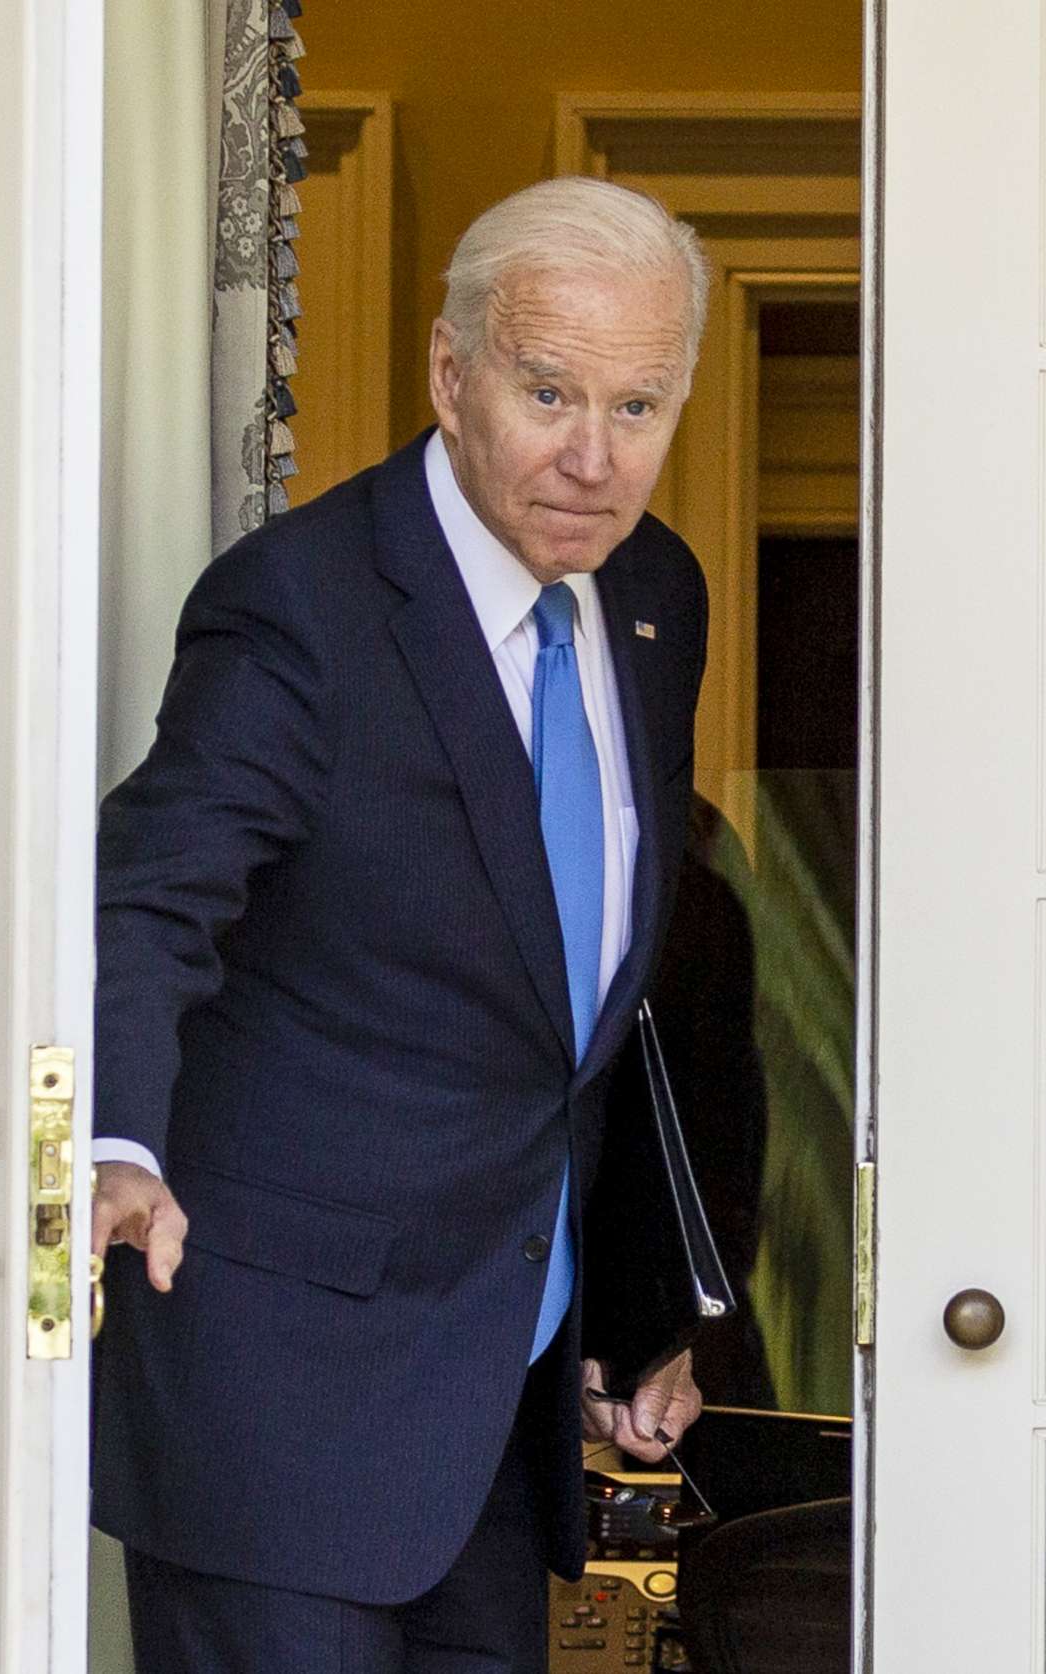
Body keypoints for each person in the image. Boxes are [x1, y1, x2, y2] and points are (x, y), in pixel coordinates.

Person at [89, 176, 715, 1673]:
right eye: (549, 389)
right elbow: (151, 888)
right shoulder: (298, 607)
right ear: (452, 372)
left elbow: (588, 997)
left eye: (639, 407)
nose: (591, 456)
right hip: (273, 1408)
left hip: (490, 1423)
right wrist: (111, 1142)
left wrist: (633, 1304)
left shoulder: (655, 596)